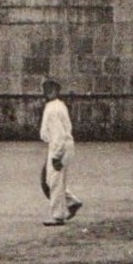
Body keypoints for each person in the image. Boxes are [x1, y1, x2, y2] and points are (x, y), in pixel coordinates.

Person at [39, 80, 85, 226]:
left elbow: (58, 134)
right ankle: (72, 202)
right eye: (45, 90)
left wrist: (56, 156)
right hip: (61, 145)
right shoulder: (58, 105)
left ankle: (58, 216)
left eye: (50, 90)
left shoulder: (53, 109)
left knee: (54, 182)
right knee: (49, 181)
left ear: (55, 91)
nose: (46, 93)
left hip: (59, 146)